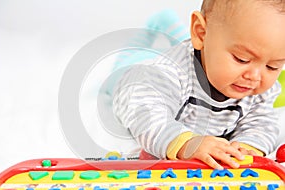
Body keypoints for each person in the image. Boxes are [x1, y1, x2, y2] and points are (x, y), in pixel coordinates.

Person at [113, 0, 285, 169]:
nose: (255, 76)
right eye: (242, 59)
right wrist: (187, 143)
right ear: (201, 32)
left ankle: (175, 29)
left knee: (207, 48)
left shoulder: (259, 84)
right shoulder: (165, 74)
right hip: (132, 76)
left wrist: (247, 147)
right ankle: (162, 21)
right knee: (128, 62)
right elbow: (144, 113)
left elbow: (262, 122)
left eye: (273, 66)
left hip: (203, 52)